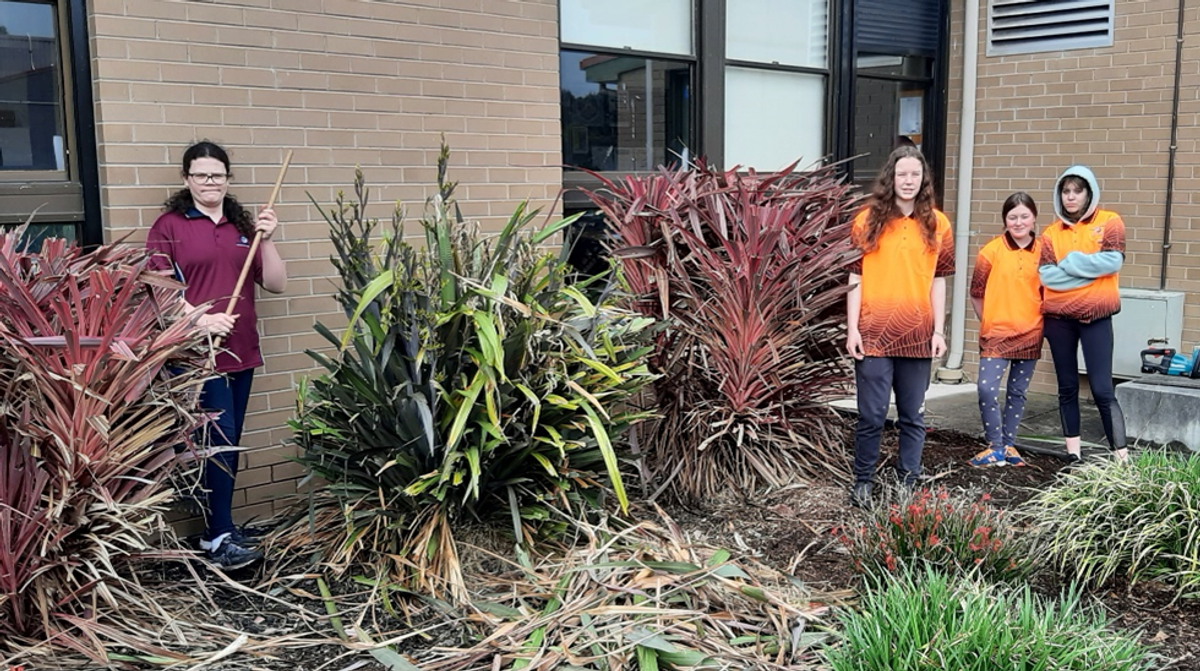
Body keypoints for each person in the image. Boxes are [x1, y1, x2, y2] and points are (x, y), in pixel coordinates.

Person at [147, 141, 288, 569]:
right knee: (218, 441)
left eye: (217, 175)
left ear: (228, 178)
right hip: (196, 355)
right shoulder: (169, 226)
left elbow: (276, 283)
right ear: (186, 179)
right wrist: (200, 320)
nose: (210, 182)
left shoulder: (241, 226)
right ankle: (217, 537)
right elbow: (158, 289)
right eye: (201, 175)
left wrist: (267, 239)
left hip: (241, 350)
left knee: (228, 442)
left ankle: (220, 527)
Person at [845, 145, 955, 506]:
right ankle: (863, 480)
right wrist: (852, 329)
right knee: (872, 414)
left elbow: (939, 280)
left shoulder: (938, 224)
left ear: (924, 179)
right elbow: (855, 277)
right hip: (873, 333)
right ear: (890, 178)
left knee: (913, 415)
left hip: (918, 334)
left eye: (915, 174)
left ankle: (909, 478)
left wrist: (938, 331)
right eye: (902, 174)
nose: (908, 181)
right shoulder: (866, 221)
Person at [1037, 165, 1128, 464]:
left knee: (1102, 389)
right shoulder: (1050, 234)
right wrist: (1091, 274)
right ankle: (1073, 456)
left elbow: (1112, 262)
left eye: (1077, 191)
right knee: (1067, 387)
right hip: (1058, 320)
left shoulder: (1110, 221)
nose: (1071, 197)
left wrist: (1070, 262)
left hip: (1096, 317)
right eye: (1066, 191)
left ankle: (1121, 458)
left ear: (1089, 193)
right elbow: (1048, 277)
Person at [967, 193, 1042, 468]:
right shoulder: (990, 252)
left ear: (1033, 218)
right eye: (1012, 217)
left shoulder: (1045, 252)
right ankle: (995, 445)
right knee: (986, 389)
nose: (1018, 222)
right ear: (1005, 220)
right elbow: (976, 293)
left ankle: (1009, 445)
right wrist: (989, 320)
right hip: (996, 335)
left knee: (1017, 392)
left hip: (1031, 333)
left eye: (1024, 216)